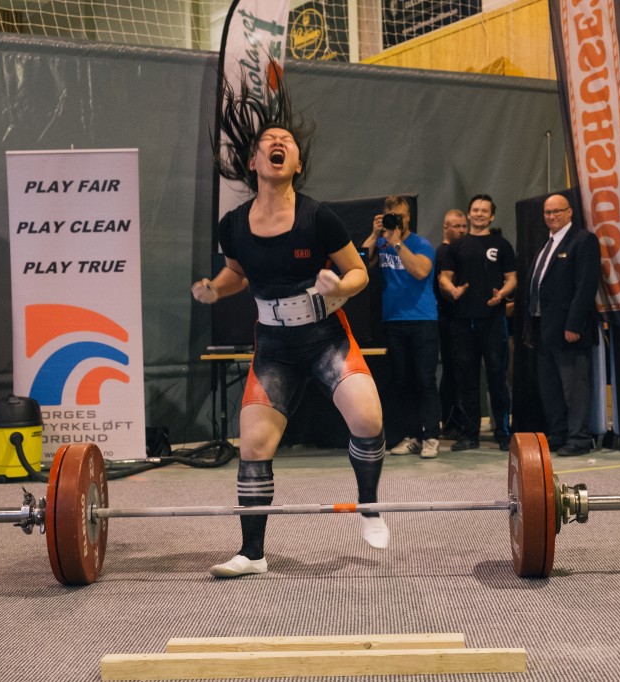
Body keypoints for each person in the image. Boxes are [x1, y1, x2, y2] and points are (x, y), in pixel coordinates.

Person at [191, 72, 388, 578]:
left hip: (326, 339)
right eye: (268, 142)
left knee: (367, 420)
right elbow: (237, 274)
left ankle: (369, 505)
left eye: (288, 143)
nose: (278, 144)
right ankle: (252, 554)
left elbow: (360, 273)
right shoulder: (233, 224)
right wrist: (215, 288)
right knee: (254, 446)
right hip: (274, 348)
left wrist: (338, 289)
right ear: (254, 161)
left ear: (297, 163)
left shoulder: (319, 217)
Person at [361, 195, 439, 459]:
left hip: (423, 320)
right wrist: (374, 236)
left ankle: (431, 436)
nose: (398, 220)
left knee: (425, 380)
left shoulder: (422, 244)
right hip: (393, 321)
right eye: (392, 215)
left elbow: (420, 271)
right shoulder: (380, 243)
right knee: (402, 381)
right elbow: (359, 262)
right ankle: (412, 436)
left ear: (409, 218)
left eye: (402, 216)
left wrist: (396, 243)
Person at [437, 194, 516, 452]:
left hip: (493, 321)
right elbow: (444, 278)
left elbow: (512, 278)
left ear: (492, 216)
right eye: (475, 210)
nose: (479, 214)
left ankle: (504, 433)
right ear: (469, 214)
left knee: (496, 377)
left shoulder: (501, 245)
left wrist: (502, 295)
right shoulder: (455, 247)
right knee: (466, 379)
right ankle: (469, 434)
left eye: (485, 210)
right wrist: (452, 291)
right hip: (462, 322)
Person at [526, 194, 601, 456]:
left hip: (569, 329)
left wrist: (574, 324)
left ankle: (579, 438)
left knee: (574, 387)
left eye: (557, 211)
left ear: (570, 213)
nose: (552, 216)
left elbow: (586, 286)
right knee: (551, 388)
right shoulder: (545, 244)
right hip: (544, 329)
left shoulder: (583, 241)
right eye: (547, 212)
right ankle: (558, 435)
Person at [434, 209, 468, 438]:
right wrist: (453, 291)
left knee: (455, 371)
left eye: (464, 226)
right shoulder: (445, 252)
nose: (461, 230)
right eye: (456, 226)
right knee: (453, 372)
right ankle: (452, 421)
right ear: (445, 227)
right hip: (448, 321)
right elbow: (444, 282)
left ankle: (452, 421)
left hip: (454, 320)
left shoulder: (457, 251)